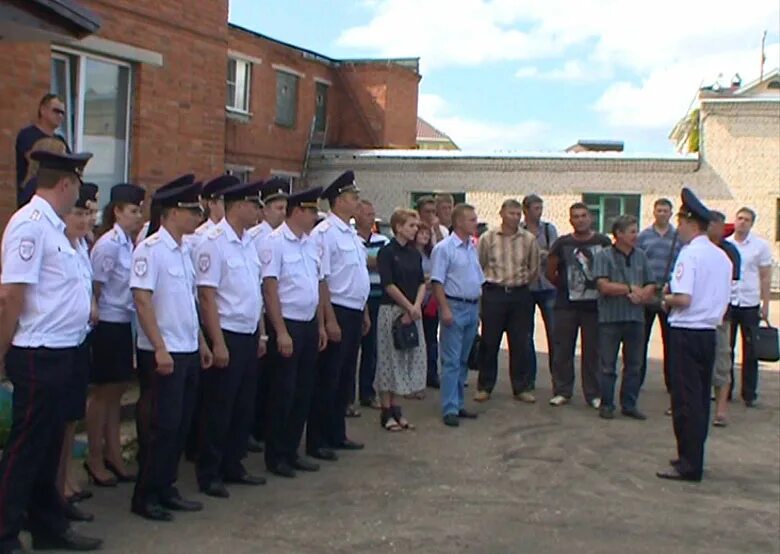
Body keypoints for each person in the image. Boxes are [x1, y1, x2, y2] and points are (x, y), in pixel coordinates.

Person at [0, 150, 103, 552]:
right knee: (25, 451)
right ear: (65, 184)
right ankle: (5, 533)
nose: (77, 194)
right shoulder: (30, 225)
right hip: (36, 353)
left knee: (45, 450)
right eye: (77, 186)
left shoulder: (56, 229)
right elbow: (11, 296)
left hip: (64, 350)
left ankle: (47, 526)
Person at [130, 175, 214, 522]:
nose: (198, 216)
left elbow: (188, 303)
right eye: (191, 209)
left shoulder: (183, 250)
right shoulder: (151, 249)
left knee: (179, 425)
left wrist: (201, 342)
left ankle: (167, 487)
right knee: (160, 427)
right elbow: (142, 300)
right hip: (161, 352)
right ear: (171, 213)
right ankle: (146, 495)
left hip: (186, 348)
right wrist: (160, 347)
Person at [194, 180, 266, 498]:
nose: (259, 211)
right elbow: (207, 297)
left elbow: (255, 290)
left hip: (249, 332)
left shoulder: (248, 241)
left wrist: (261, 332)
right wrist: (217, 342)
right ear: (237, 206)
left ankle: (233, 464)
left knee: (243, 405)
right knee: (219, 406)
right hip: (227, 333)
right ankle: (209, 472)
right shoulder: (213, 241)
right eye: (255, 205)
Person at [656, 188, 731, 483]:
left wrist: (666, 298)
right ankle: (693, 454)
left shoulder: (690, 254)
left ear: (689, 223)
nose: (680, 231)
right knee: (700, 398)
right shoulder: (721, 256)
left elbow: (684, 298)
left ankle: (689, 464)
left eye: (681, 224)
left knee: (685, 400)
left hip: (686, 331)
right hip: (709, 332)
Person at [259, 187, 328, 478]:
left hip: (308, 323)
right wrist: (280, 331)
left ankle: (291, 450)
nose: (315, 217)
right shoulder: (275, 243)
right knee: (282, 393)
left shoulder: (311, 244)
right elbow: (270, 289)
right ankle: (276, 456)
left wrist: (322, 324)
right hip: (286, 324)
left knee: (303, 392)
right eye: (311, 211)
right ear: (297, 211)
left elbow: (319, 285)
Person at [86, 183, 146, 488]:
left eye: (140, 211)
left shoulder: (128, 243)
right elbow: (95, 288)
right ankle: (95, 457)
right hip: (107, 323)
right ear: (117, 211)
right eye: (133, 211)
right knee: (102, 394)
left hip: (123, 322)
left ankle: (113, 454)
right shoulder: (109, 245)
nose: (138, 216)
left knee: (117, 392)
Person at [307, 171, 370, 460]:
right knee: (327, 377)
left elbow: (358, 276)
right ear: (339, 200)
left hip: (355, 309)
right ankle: (318, 439)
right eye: (353, 197)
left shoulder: (352, 235)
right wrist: (329, 319)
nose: (357, 202)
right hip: (338, 309)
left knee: (345, 377)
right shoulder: (325, 233)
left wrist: (365, 311)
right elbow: (322, 280)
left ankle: (337, 433)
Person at [58, 183, 99, 525]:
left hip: (78, 339)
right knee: (57, 421)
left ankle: (66, 480)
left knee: (72, 416)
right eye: (79, 212)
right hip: (55, 344)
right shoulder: (59, 245)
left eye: (88, 213)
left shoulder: (82, 246)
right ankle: (57, 488)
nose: (85, 219)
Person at [546, 203, 612, 408]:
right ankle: (562, 391)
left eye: (584, 215)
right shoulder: (562, 243)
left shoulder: (602, 241)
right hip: (566, 306)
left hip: (594, 307)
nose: (580, 219)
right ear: (570, 220)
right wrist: (565, 287)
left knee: (593, 351)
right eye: (576, 216)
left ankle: (593, 393)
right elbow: (550, 271)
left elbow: (610, 268)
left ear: (590, 218)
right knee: (562, 349)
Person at [475, 199, 540, 403]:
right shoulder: (488, 238)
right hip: (494, 293)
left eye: (518, 214)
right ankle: (485, 386)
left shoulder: (528, 239)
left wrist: (520, 285)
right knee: (489, 341)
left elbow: (534, 268)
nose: (515, 217)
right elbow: (480, 265)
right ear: (501, 213)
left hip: (520, 295)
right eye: (511, 213)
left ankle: (521, 387)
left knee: (520, 342)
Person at [593, 215, 656, 420]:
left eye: (636, 231)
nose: (635, 235)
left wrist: (644, 294)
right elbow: (603, 285)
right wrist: (628, 289)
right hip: (610, 318)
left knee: (634, 364)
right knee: (607, 364)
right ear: (618, 234)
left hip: (636, 318)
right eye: (631, 231)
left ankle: (629, 404)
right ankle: (607, 404)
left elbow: (651, 283)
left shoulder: (641, 256)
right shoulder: (603, 256)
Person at [431, 204, 484, 427]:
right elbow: (437, 281)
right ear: (459, 222)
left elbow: (478, 280)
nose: (475, 223)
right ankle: (449, 407)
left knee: (463, 359)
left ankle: (459, 403)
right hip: (454, 306)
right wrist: (444, 308)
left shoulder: (471, 247)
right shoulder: (444, 248)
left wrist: (478, 309)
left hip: (471, 307)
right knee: (451, 361)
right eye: (471, 220)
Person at [247, 177, 289, 453]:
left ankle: (262, 428)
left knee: (270, 379)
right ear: (264, 210)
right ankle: (252, 429)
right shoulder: (256, 237)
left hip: (271, 316)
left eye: (285, 207)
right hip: (258, 315)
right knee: (258, 381)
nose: (281, 212)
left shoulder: (285, 237)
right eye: (276, 207)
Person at [374, 208, 427, 431]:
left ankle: (397, 407)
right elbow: (388, 283)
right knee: (389, 361)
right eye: (411, 225)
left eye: (416, 226)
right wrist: (406, 306)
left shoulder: (415, 254)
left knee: (406, 359)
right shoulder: (386, 252)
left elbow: (422, 282)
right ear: (398, 227)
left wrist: (415, 307)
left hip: (412, 312)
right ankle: (386, 411)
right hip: (391, 311)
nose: (415, 230)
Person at [726, 207, 774, 406]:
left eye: (746, 219)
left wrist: (765, 304)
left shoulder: (760, 246)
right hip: (728, 302)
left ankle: (749, 393)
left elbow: (765, 276)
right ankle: (725, 390)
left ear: (752, 223)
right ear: (734, 221)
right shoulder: (726, 244)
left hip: (749, 303)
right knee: (725, 349)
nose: (742, 222)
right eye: (739, 218)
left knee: (751, 349)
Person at [637, 198, 681, 401]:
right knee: (640, 340)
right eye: (659, 210)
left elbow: (682, 264)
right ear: (653, 212)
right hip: (648, 293)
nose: (662, 213)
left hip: (668, 293)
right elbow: (638, 262)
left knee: (670, 342)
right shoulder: (644, 236)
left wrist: (671, 284)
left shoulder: (679, 237)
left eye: (666, 210)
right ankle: (636, 381)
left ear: (671, 213)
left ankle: (672, 383)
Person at [354, 199, 390, 409]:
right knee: (351, 351)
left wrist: (365, 260)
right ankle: (348, 398)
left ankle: (367, 393)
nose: (371, 217)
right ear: (356, 216)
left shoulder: (382, 240)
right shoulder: (350, 238)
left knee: (372, 348)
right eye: (367, 213)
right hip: (357, 300)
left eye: (372, 213)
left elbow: (385, 263)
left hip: (377, 298)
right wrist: (370, 260)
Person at [520, 194, 558, 390]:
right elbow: (517, 255)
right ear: (525, 210)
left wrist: (536, 255)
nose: (539, 212)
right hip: (526, 287)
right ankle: (528, 380)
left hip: (548, 287)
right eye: (536, 208)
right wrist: (539, 254)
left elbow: (554, 254)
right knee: (526, 335)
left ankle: (558, 381)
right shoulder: (519, 230)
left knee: (554, 333)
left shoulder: (549, 229)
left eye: (541, 208)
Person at [707, 211, 741, 427]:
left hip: (720, 317)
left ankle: (721, 409)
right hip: (694, 317)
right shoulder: (693, 249)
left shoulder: (729, 251)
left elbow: (733, 286)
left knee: (721, 362)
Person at [15, 93, 70, 207]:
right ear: (43, 110)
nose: (60, 116)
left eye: (62, 113)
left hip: (56, 198)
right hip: (31, 195)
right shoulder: (28, 134)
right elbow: (35, 161)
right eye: (56, 111)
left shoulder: (60, 140)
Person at [184, 174, 235, 254]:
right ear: (211, 204)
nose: (230, 206)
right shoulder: (198, 237)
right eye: (225, 202)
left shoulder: (240, 235)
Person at [416, 223, 439, 392]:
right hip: (414, 301)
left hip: (431, 301)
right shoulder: (410, 254)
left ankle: (431, 374)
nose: (425, 236)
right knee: (415, 340)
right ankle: (415, 377)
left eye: (427, 233)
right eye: (421, 233)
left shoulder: (432, 253)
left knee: (431, 340)